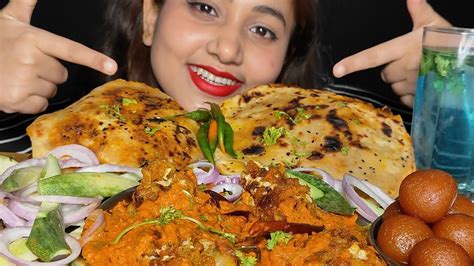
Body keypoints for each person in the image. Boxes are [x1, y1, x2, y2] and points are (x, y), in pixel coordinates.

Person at [0, 0, 450, 152]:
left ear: (286, 55)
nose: (228, 48)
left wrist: (456, 98)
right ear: (151, 17)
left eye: (262, 29)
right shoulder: (52, 127)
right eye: (205, 7)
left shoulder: (347, 135)